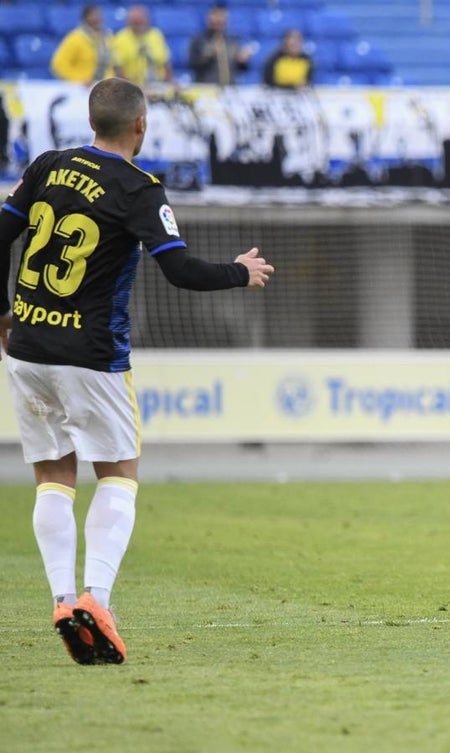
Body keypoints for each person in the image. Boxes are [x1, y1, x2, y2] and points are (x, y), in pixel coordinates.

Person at [0, 77, 274, 665]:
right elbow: (179, 272)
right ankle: (95, 599)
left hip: (24, 347)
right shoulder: (139, 189)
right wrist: (237, 271)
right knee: (118, 472)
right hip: (91, 354)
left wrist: (4, 311)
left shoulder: (48, 164)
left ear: (93, 120)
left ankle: (60, 598)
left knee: (52, 475)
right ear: (140, 126)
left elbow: (1, 233)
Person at [188, 2, 254, 85]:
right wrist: (209, 54)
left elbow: (241, 69)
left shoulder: (233, 40)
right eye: (216, 15)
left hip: (229, 89)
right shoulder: (198, 40)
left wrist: (242, 61)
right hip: (207, 90)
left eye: (222, 16)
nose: (219, 19)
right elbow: (193, 65)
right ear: (208, 18)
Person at [111, 5, 175, 88]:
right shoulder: (120, 38)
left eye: (140, 22)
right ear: (128, 22)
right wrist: (133, 88)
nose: (138, 25)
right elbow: (118, 70)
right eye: (134, 22)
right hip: (131, 86)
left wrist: (171, 82)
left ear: (147, 20)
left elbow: (166, 64)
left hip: (158, 83)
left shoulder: (156, 35)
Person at [50, 5, 115, 85]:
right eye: (93, 15)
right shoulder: (75, 38)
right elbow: (58, 65)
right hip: (82, 89)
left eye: (99, 15)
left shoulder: (108, 37)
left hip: (105, 88)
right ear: (85, 18)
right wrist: (78, 80)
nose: (97, 18)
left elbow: (112, 64)